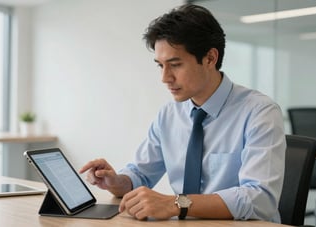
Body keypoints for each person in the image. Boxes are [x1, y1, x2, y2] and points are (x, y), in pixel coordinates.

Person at [79, 4, 286, 222]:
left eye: (175, 65)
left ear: (210, 58)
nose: (165, 78)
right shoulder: (169, 115)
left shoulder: (260, 112)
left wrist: (176, 203)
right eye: (160, 66)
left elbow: (259, 200)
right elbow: (140, 174)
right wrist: (116, 182)